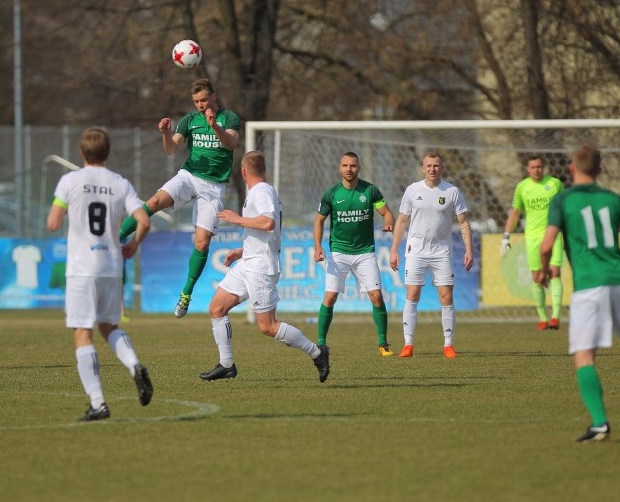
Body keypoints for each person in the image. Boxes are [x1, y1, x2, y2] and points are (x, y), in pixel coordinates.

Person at [538, 145, 620, 443]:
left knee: (584, 355)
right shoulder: (615, 199)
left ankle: (600, 423)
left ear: (571, 169)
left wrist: (543, 271)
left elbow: (547, 245)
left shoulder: (562, 200)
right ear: (600, 170)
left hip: (589, 287)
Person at [47, 127, 153, 422]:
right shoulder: (119, 183)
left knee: (83, 333)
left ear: (82, 153)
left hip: (82, 268)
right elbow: (143, 220)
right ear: (107, 153)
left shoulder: (70, 180)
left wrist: (65, 209)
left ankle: (98, 404)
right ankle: (133, 364)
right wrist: (133, 244)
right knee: (109, 325)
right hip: (111, 265)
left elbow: (53, 223)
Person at [200, 151, 330, 383]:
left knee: (268, 326)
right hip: (249, 261)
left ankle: (317, 353)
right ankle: (226, 364)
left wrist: (235, 218)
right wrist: (242, 250)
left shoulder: (261, 192)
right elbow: (264, 229)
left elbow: (268, 222)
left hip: (260, 267)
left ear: (243, 171)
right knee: (217, 308)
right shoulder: (259, 192)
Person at [118, 78, 239, 318]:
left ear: (214, 97)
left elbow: (232, 143)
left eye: (204, 99)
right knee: (153, 202)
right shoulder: (189, 121)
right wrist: (166, 133)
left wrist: (215, 127)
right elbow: (171, 149)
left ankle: (185, 294)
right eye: (196, 101)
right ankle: (115, 238)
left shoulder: (228, 118)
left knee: (202, 243)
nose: (200, 105)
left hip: (214, 187)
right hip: (189, 176)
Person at [390, 151, 474, 358]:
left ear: (441, 168)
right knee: (412, 295)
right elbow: (401, 221)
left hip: (441, 252)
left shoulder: (451, 191)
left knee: (446, 297)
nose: (432, 169)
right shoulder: (412, 190)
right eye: (428, 166)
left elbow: (463, 222)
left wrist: (469, 249)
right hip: (416, 251)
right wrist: (394, 250)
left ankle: (448, 345)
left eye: (436, 166)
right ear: (422, 168)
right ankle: (408, 344)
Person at [313, 152, 396, 356]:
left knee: (376, 297)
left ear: (359, 168)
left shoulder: (369, 191)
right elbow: (319, 220)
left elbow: (385, 212)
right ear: (339, 168)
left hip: (364, 252)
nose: (349, 169)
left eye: (353, 166)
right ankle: (321, 343)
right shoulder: (331, 193)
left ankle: (383, 344)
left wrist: (388, 222)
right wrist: (317, 246)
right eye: (345, 165)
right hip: (339, 253)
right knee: (330, 297)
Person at [501, 155, 564, 330]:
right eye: (533, 167)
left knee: (554, 271)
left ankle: (556, 317)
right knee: (537, 277)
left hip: (553, 233)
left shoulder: (555, 184)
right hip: (533, 236)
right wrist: (506, 235)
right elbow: (515, 212)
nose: (536, 170)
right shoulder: (522, 187)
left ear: (544, 168)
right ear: (527, 169)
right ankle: (543, 318)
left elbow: (564, 206)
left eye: (539, 167)